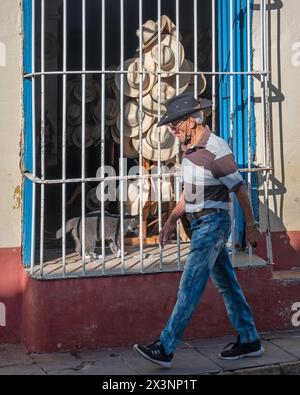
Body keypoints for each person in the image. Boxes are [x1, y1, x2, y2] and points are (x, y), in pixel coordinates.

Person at [133, 93, 264, 368]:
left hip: (213, 225)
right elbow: (188, 194)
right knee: (228, 285)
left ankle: (165, 348)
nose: (171, 130)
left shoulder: (216, 150)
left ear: (191, 122)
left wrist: (251, 227)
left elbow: (240, 189)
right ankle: (250, 340)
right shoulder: (190, 151)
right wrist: (170, 220)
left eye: (175, 124)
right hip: (199, 225)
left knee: (189, 286)